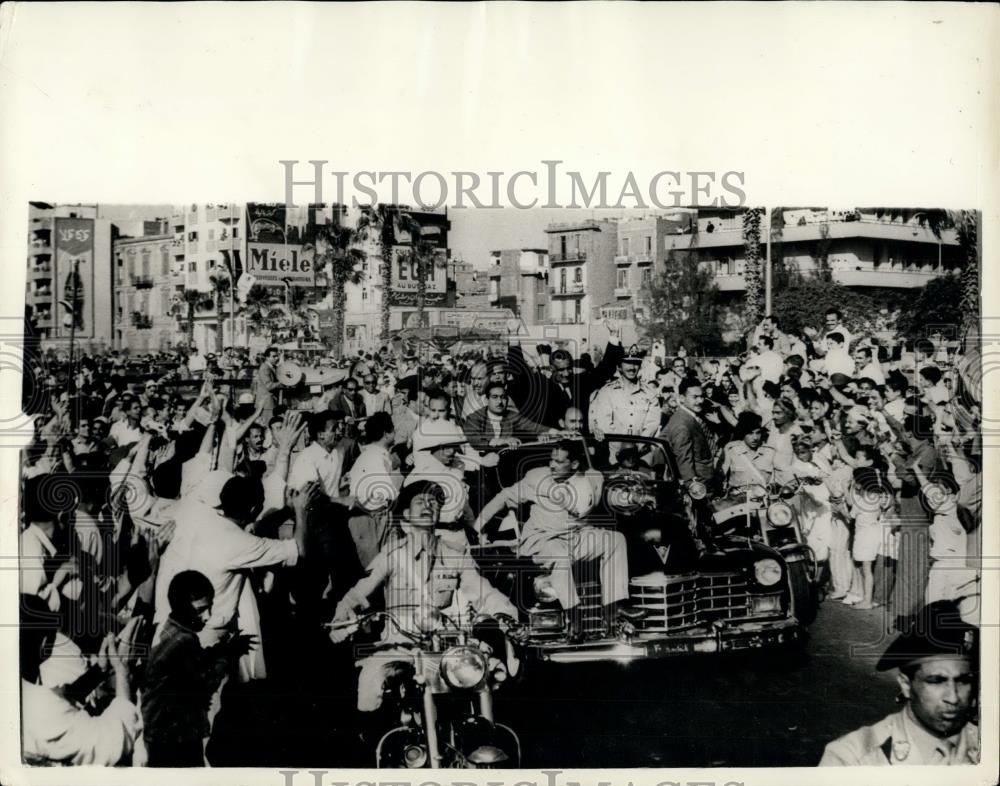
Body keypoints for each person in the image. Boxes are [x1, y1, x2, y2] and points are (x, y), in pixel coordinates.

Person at [329, 481, 518, 720]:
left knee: (490, 673)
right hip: (400, 644)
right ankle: (377, 741)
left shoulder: (454, 553)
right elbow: (359, 592)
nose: (428, 506)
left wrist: (506, 615)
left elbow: (482, 592)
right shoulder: (392, 554)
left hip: (446, 645)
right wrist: (343, 618)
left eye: (434, 502)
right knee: (370, 681)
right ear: (407, 514)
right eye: (420, 502)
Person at [474, 441, 628, 640]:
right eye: (551, 460)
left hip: (576, 536)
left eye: (559, 461)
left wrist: (631, 498)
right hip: (542, 539)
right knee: (560, 556)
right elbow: (504, 496)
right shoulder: (537, 477)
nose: (552, 465)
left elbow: (599, 498)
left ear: (574, 465)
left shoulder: (591, 479)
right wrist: (477, 526)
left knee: (615, 540)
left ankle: (612, 614)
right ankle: (575, 619)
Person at [819, 600, 979, 765]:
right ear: (906, 685)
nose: (952, 697)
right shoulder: (852, 758)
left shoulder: (989, 746)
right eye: (936, 681)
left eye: (963, 681)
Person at [21, 594, 140, 765]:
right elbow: (113, 743)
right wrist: (123, 672)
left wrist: (99, 670)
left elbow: (60, 700)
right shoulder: (42, 709)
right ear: (45, 644)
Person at [142, 570, 236, 766]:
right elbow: (205, 683)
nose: (207, 616)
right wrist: (227, 655)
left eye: (209, 608)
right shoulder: (183, 641)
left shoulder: (169, 628)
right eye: (201, 609)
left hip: (158, 733)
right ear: (182, 606)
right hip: (175, 737)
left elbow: (191, 668)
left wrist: (217, 651)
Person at [346, 412, 401, 567]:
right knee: (373, 570)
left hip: (376, 515)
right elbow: (389, 492)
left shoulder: (377, 454)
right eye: (393, 430)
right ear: (386, 434)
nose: (395, 433)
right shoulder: (373, 456)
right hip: (366, 519)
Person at [589, 347, 660, 441]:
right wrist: (622, 447)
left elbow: (652, 425)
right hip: (614, 450)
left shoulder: (650, 393)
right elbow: (604, 424)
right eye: (627, 363)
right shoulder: (607, 392)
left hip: (642, 449)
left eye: (635, 363)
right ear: (619, 367)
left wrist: (637, 446)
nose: (632, 368)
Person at [661, 379, 717, 490]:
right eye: (695, 397)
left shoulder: (690, 416)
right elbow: (683, 458)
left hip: (705, 480)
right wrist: (692, 485)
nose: (700, 401)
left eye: (702, 396)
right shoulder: (682, 423)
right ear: (682, 398)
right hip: (699, 485)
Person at [462, 382, 547, 451]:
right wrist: (502, 441)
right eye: (494, 397)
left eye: (503, 397)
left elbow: (532, 426)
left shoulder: (511, 415)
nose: (499, 402)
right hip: (480, 462)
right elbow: (475, 440)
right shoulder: (474, 418)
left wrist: (544, 433)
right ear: (487, 400)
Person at [288, 410, 348, 501]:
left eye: (339, 427)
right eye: (334, 429)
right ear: (320, 435)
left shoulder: (339, 451)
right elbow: (310, 497)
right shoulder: (307, 457)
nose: (340, 430)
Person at [252, 346, 282, 425]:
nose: (276, 358)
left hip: (271, 402)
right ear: (267, 357)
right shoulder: (265, 368)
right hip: (266, 404)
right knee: (268, 425)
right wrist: (283, 382)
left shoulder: (272, 367)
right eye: (274, 356)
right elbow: (269, 386)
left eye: (277, 356)